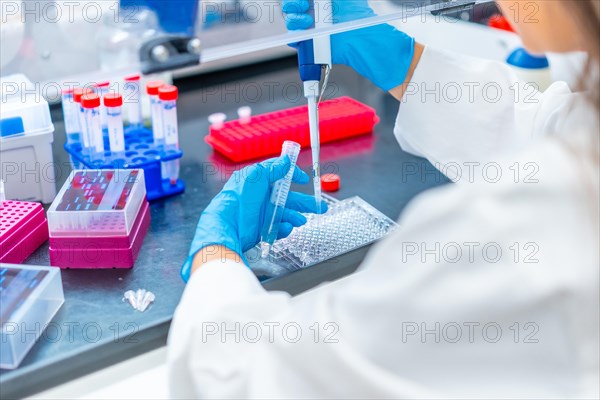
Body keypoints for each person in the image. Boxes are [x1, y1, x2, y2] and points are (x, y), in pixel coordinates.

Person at [168, 0, 599, 397]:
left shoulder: (528, 228)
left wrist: (214, 257)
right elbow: (543, 130)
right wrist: (405, 65)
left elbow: (244, 378)